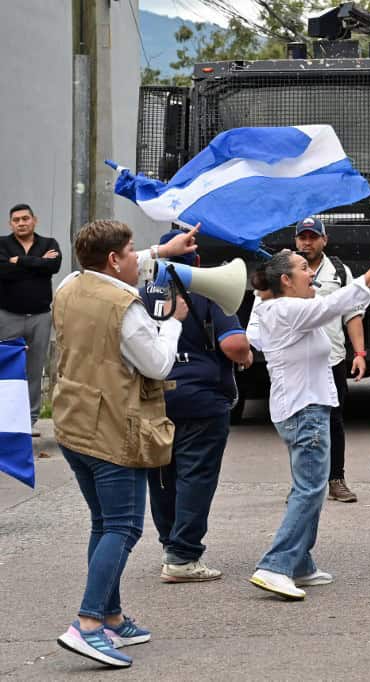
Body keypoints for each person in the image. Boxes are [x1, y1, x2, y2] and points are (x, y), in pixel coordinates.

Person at [51, 220, 198, 668]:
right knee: (124, 527)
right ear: (114, 259)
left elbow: (110, 266)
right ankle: (88, 624)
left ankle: (111, 617)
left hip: (73, 420)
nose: (138, 258)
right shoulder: (126, 306)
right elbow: (156, 365)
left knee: (103, 522)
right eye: (131, 252)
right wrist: (172, 324)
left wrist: (162, 251)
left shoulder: (70, 283)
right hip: (114, 427)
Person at [246, 244, 370, 601]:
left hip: (303, 409)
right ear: (286, 280)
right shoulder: (287, 309)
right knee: (310, 489)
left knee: (311, 487)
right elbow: (334, 305)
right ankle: (276, 565)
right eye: (303, 268)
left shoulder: (278, 307)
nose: (312, 273)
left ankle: (300, 562)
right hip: (306, 412)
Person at [139, 230, 254, 583]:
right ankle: (183, 556)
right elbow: (234, 344)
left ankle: (169, 544)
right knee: (196, 476)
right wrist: (247, 355)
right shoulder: (209, 290)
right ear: (198, 263)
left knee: (162, 476)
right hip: (202, 400)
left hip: (155, 399)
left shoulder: (141, 294)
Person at [294, 216, 366, 503]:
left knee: (333, 420)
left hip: (332, 359)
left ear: (324, 240)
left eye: (313, 237)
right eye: (302, 237)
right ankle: (301, 485)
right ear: (296, 240)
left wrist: (359, 353)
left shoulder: (339, 271)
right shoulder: (287, 270)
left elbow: (352, 314)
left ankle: (336, 479)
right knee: (299, 421)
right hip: (298, 360)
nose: (307, 242)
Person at [0, 204, 61, 437]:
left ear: (34, 220)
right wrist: (37, 264)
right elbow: (2, 272)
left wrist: (20, 261)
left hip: (40, 317)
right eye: (16, 220)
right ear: (10, 224)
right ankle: (6, 420)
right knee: (6, 367)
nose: (21, 223)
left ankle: (29, 421)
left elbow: (52, 266)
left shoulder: (49, 244)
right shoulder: (2, 244)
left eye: (25, 218)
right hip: (7, 316)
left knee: (34, 369)